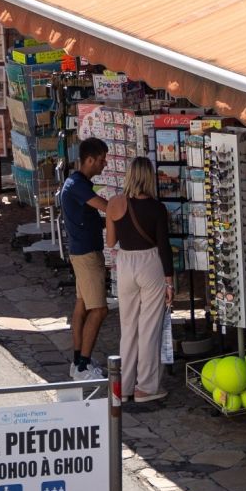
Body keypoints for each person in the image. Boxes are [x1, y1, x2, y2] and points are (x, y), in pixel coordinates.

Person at [105, 155, 175, 405]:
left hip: (125, 263)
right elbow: (164, 247)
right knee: (149, 327)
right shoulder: (157, 208)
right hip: (150, 263)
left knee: (129, 327)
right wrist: (170, 281)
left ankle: (123, 386)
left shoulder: (114, 203)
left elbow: (111, 242)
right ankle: (145, 386)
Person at [59, 137, 111, 381]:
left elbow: (91, 216)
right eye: (101, 160)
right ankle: (83, 366)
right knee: (99, 309)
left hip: (80, 251)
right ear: (89, 159)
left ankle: (78, 360)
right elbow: (106, 207)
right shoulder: (79, 186)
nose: (104, 165)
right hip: (87, 255)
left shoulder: (75, 183)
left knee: (82, 307)